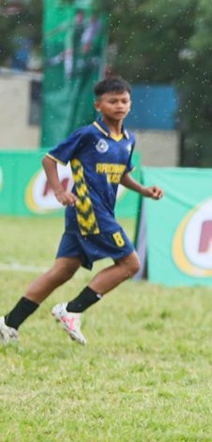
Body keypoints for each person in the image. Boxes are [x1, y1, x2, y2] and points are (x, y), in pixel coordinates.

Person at [0, 76, 164, 347]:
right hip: (89, 211)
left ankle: (9, 322)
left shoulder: (127, 140)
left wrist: (144, 191)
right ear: (98, 105)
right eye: (113, 101)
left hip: (96, 213)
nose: (119, 106)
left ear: (130, 104)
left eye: (124, 101)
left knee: (63, 270)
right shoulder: (88, 134)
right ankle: (72, 309)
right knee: (130, 264)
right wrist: (59, 191)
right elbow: (49, 159)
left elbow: (122, 174)